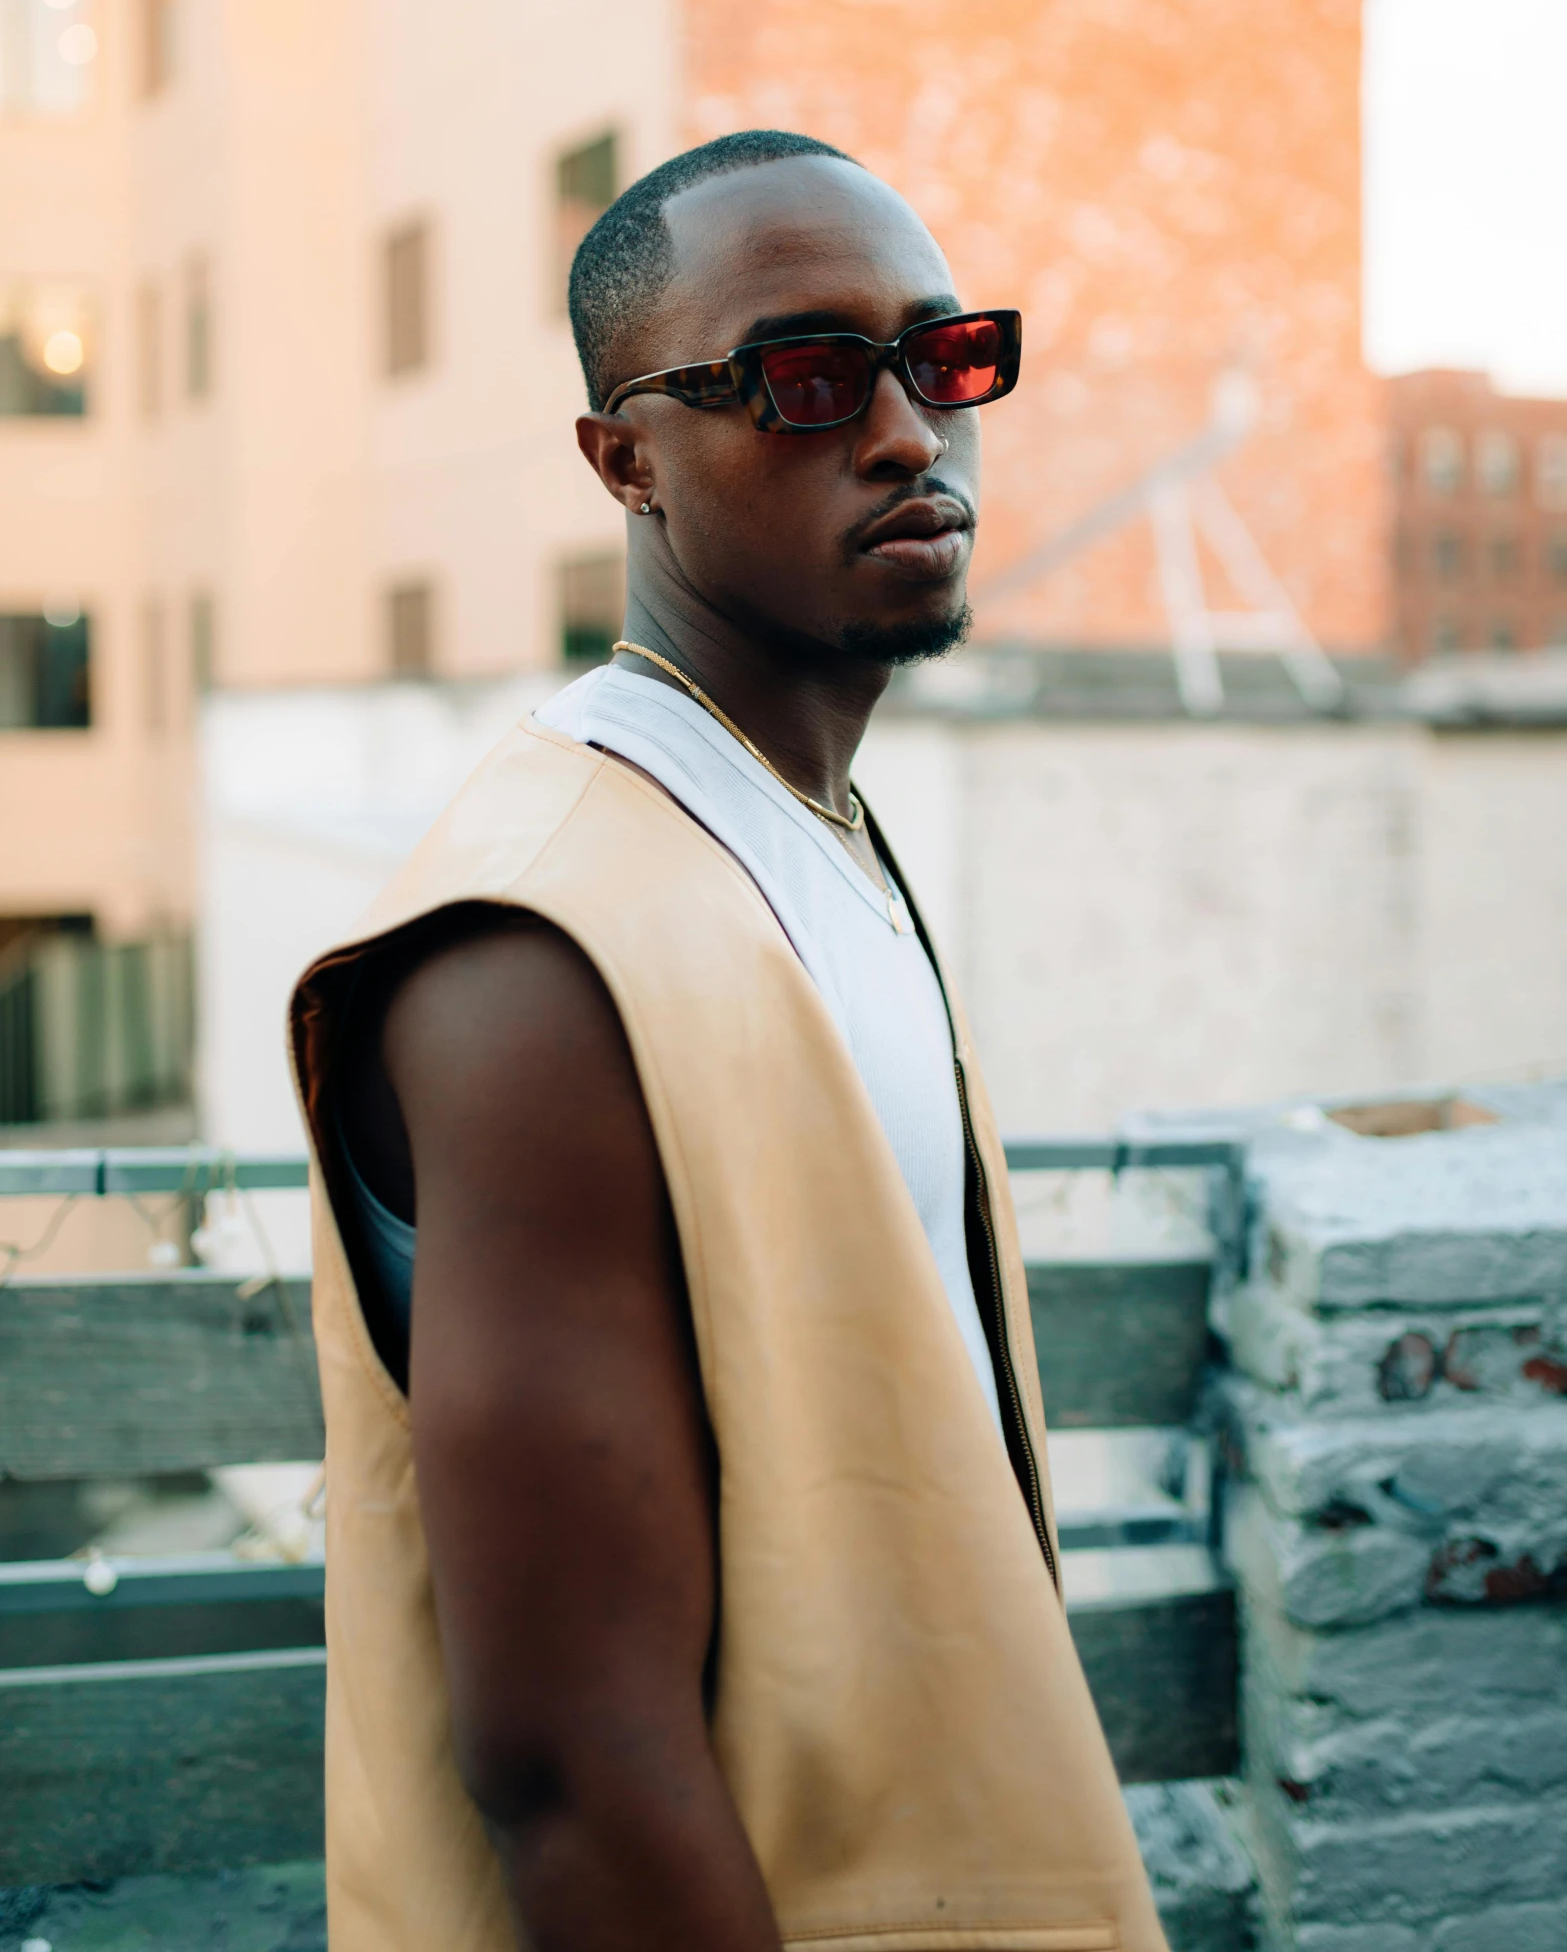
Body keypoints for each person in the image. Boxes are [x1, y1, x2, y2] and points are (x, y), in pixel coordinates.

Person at [290, 131, 1168, 1952]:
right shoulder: (539, 949)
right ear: (624, 460)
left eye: (946, 359)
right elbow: (575, 1760)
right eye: (802, 376)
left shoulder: (792, 831)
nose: (912, 431)